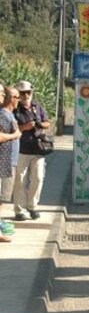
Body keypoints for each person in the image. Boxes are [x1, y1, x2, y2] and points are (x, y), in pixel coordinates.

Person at [13, 80, 50, 221]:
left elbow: (47, 122)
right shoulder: (14, 109)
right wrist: (25, 127)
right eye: (23, 93)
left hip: (38, 149)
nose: (26, 95)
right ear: (19, 94)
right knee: (19, 180)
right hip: (22, 149)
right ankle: (19, 210)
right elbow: (11, 128)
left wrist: (40, 124)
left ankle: (32, 206)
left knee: (38, 178)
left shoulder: (37, 107)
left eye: (28, 92)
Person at [0, 85, 21, 240]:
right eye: (17, 97)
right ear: (12, 99)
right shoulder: (3, 115)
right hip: (3, 162)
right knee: (1, 198)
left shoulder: (8, 115)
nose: (19, 100)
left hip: (8, 161)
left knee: (2, 199)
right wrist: (14, 135)